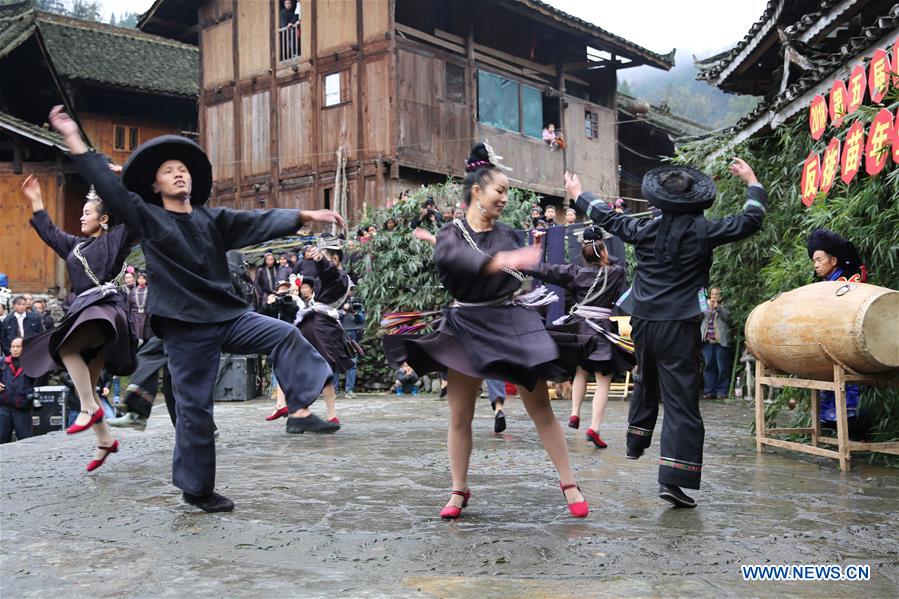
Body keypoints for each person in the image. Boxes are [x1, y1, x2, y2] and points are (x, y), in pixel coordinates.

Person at [49, 105, 342, 512]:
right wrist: (74, 137)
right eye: (168, 171)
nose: (179, 173)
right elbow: (108, 186)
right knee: (195, 414)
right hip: (186, 328)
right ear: (154, 186)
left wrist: (305, 215)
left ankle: (299, 409)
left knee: (286, 334)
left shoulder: (212, 219)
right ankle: (198, 490)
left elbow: (256, 221)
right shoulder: (148, 218)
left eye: (182, 168)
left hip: (228, 316)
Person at [383, 142, 588, 520]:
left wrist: (576, 274)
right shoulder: (451, 233)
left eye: (508, 191)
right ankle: (459, 489)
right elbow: (455, 260)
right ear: (477, 191)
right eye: (501, 190)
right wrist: (505, 261)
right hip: (465, 327)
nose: (505, 198)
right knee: (460, 416)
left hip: (512, 322)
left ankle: (569, 483)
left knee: (540, 409)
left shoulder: (509, 233)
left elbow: (531, 269)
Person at [568, 157, 767, 509]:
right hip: (680, 324)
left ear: (658, 200)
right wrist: (751, 180)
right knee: (681, 401)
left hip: (643, 321)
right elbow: (751, 219)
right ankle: (674, 479)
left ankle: (636, 440)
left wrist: (579, 194)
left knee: (646, 378)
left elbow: (606, 216)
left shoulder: (643, 230)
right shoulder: (705, 231)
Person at [19, 175, 134, 473]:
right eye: (81, 213)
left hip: (105, 311)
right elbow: (50, 232)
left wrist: (119, 181)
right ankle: (104, 440)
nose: (81, 217)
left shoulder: (117, 237)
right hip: (84, 313)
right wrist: (36, 201)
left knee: (67, 348)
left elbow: (134, 212)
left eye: (87, 213)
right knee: (89, 385)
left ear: (104, 218)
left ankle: (89, 409)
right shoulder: (75, 245)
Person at [524, 226, 635, 449]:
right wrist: (599, 248)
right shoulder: (616, 272)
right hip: (601, 328)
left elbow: (543, 270)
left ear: (583, 253)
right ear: (603, 251)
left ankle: (574, 414)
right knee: (603, 377)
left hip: (581, 329)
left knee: (581, 371)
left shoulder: (574, 273)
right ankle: (594, 427)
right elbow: (618, 261)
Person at [807, 229, 868, 438]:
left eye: (818, 259)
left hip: (847, 346)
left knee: (847, 390)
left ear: (833, 260)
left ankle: (851, 430)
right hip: (828, 348)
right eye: (813, 260)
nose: (815, 264)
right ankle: (834, 428)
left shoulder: (848, 281)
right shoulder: (822, 285)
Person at [294, 241, 358, 425]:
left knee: (321, 370)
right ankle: (300, 409)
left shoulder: (337, 276)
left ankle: (317, 412)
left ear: (335, 259)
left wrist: (320, 258)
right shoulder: (335, 277)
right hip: (317, 324)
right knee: (312, 368)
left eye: (327, 256)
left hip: (320, 325)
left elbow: (327, 270)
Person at [0, 337, 35, 443]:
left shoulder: (31, 364)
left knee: (26, 441)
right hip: (3, 408)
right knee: (1, 441)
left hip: (22, 408)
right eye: (13, 347)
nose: (15, 349)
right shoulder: (2, 362)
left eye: (18, 347)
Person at [700, 288, 732, 399]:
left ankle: (722, 392)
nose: (714, 296)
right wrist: (708, 308)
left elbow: (727, 317)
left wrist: (717, 307)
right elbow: (700, 317)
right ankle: (709, 391)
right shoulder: (706, 304)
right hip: (707, 341)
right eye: (712, 294)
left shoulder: (726, 304)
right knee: (709, 366)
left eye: (716, 294)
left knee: (722, 367)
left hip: (721, 341)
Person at [339, 290, 364, 398]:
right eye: (349, 289)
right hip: (339, 333)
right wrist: (343, 311)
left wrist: (355, 312)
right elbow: (333, 318)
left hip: (353, 334)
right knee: (336, 362)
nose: (350, 291)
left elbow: (362, 320)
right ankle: (334, 389)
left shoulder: (356, 303)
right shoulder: (338, 302)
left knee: (352, 363)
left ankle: (349, 390)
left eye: (352, 289)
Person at [129, 272, 153, 343]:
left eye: (143, 279)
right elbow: (128, 305)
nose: (141, 280)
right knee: (136, 334)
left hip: (146, 316)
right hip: (135, 316)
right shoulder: (133, 291)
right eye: (139, 278)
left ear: (146, 280)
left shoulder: (150, 291)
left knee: (147, 335)